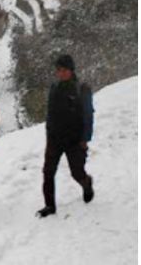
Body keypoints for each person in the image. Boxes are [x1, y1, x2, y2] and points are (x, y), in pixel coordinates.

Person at [37, 54, 95, 218]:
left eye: (64, 70)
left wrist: (85, 139)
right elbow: (50, 113)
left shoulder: (82, 89)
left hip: (74, 140)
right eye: (58, 70)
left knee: (76, 172)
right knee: (48, 172)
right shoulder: (54, 88)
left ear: (71, 70)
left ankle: (86, 183)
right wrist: (49, 134)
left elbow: (88, 115)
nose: (61, 73)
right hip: (55, 139)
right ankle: (49, 206)